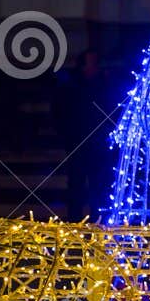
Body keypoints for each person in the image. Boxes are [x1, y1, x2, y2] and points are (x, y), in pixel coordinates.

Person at [54, 48, 114, 221]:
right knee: (76, 183)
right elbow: (61, 110)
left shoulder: (103, 82)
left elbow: (109, 106)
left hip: (98, 142)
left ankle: (97, 218)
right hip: (77, 140)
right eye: (90, 62)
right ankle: (75, 219)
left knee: (98, 184)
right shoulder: (72, 85)